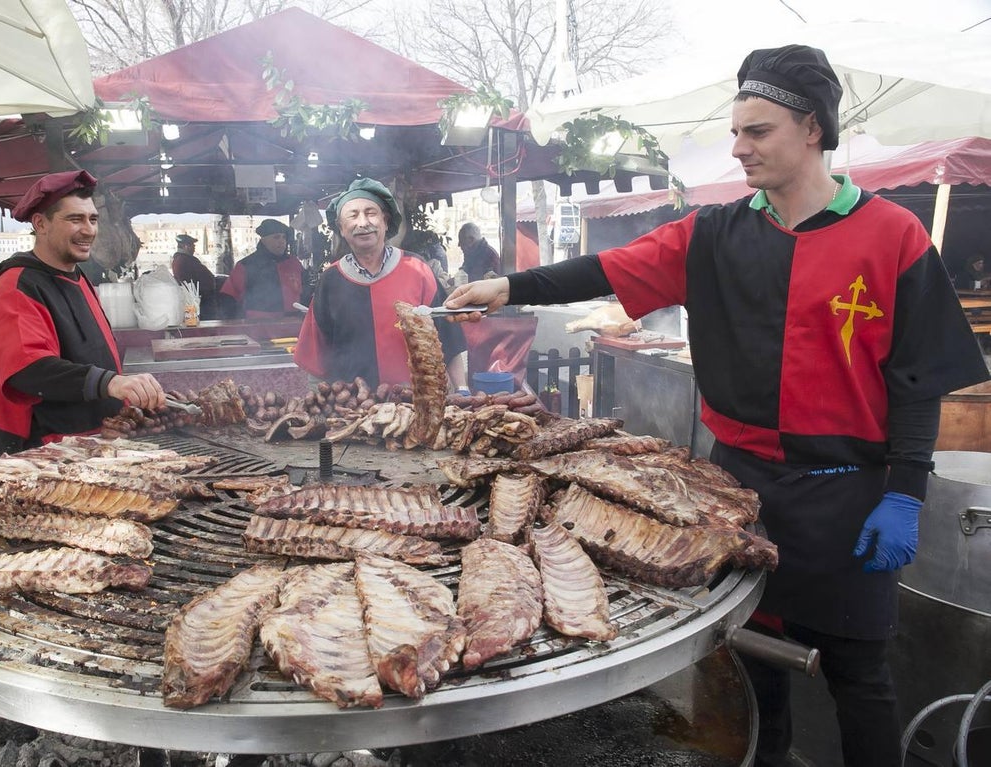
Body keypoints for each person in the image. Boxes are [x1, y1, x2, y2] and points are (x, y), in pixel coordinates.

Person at [444, 44, 989, 767]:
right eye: (735, 131)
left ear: (813, 130)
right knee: (752, 661)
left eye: (756, 131)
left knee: (860, 675)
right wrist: (508, 287)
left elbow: (919, 378)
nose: (737, 148)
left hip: (850, 495)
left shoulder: (893, 236)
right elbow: (605, 267)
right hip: (738, 493)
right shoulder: (713, 232)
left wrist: (907, 493)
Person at [0, 170, 165, 455]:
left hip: (92, 441)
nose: (89, 230)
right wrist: (111, 382)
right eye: (74, 219)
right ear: (40, 224)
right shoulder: (18, 283)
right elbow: (29, 369)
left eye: (93, 219)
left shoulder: (79, 278)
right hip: (45, 448)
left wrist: (127, 395)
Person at [294, 177, 468, 389]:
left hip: (415, 404)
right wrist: (318, 405)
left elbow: (450, 342)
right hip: (351, 411)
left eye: (371, 213)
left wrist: (463, 390)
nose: (363, 223)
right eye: (353, 215)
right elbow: (315, 354)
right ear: (340, 228)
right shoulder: (331, 279)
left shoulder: (418, 269)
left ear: (385, 221)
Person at [219, 219, 305, 318]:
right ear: (264, 240)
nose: (282, 241)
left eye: (284, 237)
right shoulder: (246, 265)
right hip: (258, 325)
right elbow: (228, 297)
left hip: (293, 323)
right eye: (276, 237)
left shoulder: (294, 263)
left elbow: (306, 291)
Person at [170, 233, 220, 320]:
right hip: (200, 299)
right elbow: (202, 277)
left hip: (193, 298)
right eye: (192, 245)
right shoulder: (187, 260)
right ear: (186, 246)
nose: (194, 248)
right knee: (205, 323)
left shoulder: (178, 259)